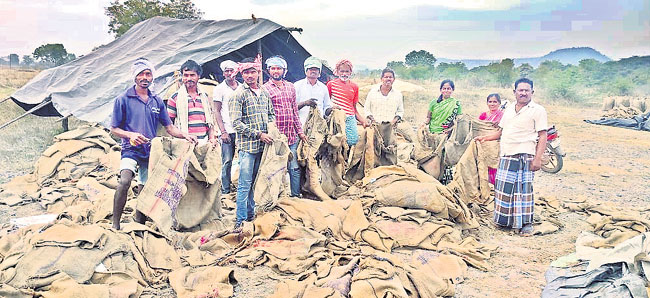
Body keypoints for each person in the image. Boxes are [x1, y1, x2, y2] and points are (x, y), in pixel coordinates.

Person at [110, 58, 196, 230]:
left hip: (149, 151)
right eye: (141, 74)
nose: (145, 77)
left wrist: (185, 135)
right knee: (125, 181)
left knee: (146, 187)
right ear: (135, 77)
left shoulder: (156, 101)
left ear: (152, 78)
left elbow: (170, 128)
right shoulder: (123, 99)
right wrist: (130, 135)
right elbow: (114, 128)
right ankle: (115, 223)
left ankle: (139, 223)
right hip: (130, 150)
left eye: (148, 74)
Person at [475, 78, 548, 236]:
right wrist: (484, 138)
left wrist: (537, 158)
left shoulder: (538, 110)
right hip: (507, 154)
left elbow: (543, 135)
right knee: (504, 189)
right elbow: (501, 132)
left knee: (523, 190)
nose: (523, 93)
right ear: (514, 92)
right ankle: (504, 221)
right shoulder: (508, 110)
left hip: (525, 154)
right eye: (520, 90)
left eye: (526, 90)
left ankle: (526, 223)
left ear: (532, 92)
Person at [229, 56, 275, 229]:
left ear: (258, 73)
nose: (249, 75)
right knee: (244, 185)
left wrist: (271, 130)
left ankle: (251, 215)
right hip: (248, 148)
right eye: (246, 72)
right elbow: (236, 123)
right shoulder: (238, 95)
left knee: (255, 183)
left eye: (253, 72)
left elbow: (271, 114)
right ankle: (240, 221)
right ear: (242, 74)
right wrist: (259, 134)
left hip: (263, 147)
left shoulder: (264, 93)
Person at [262, 55, 307, 198]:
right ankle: (276, 196)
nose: (276, 71)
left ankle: (295, 195)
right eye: (273, 68)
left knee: (294, 168)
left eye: (279, 68)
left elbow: (294, 111)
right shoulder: (265, 89)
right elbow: (265, 114)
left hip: (291, 135)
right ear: (269, 70)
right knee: (276, 168)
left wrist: (300, 132)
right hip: (276, 137)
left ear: (284, 71)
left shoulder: (290, 87)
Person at [166, 60, 218, 146]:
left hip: (204, 143)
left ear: (198, 76)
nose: (189, 78)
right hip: (184, 144)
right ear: (182, 77)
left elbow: (210, 122)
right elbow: (169, 127)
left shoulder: (205, 97)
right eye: (186, 75)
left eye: (192, 75)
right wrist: (184, 136)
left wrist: (211, 138)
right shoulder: (174, 98)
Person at [327, 59, 369, 146]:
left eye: (347, 71)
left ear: (350, 72)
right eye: (342, 71)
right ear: (337, 72)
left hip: (350, 118)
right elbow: (327, 103)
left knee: (352, 141)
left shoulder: (354, 87)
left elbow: (353, 108)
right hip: (336, 118)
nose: (344, 74)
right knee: (334, 142)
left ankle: (348, 159)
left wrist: (363, 121)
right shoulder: (331, 84)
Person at [212, 60, 239, 195]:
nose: (229, 73)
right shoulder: (219, 89)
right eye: (226, 71)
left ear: (236, 72)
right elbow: (216, 111)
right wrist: (222, 131)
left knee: (244, 160)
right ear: (223, 73)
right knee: (227, 161)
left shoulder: (242, 87)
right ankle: (226, 189)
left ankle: (241, 187)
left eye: (231, 70)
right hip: (227, 130)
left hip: (241, 131)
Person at [295, 56, 332, 127]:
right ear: (306, 71)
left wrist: (331, 109)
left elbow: (326, 108)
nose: (313, 71)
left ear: (319, 72)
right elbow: (291, 107)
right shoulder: (297, 85)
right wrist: (305, 103)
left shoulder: (323, 88)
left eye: (316, 69)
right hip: (300, 126)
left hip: (318, 127)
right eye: (311, 69)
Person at [478, 93, 504, 184]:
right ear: (487, 103)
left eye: (495, 102)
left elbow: (502, 130)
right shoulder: (483, 115)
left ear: (499, 103)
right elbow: (479, 128)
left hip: (496, 141)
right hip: (484, 141)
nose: (492, 104)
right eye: (490, 102)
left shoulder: (503, 116)